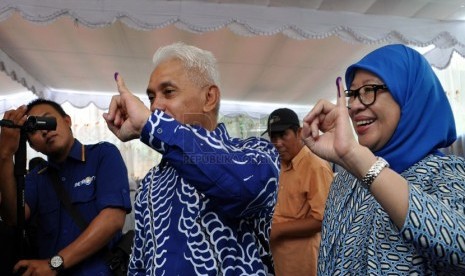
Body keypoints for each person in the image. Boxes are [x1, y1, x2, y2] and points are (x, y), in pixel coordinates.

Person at [103, 42, 280, 275]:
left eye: (168, 92)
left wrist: (151, 126)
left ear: (209, 97)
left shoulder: (255, 153)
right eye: (151, 97)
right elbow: (139, 262)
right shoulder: (151, 181)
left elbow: (244, 189)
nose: (155, 106)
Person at [302, 44, 465, 274]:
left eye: (369, 90)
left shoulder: (446, 174)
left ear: (409, 96)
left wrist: (358, 159)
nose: (355, 105)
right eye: (353, 93)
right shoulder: (344, 181)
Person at [0, 99, 132, 275]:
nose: (45, 130)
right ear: (32, 145)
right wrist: (5, 154)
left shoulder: (102, 155)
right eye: (35, 129)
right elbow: (13, 218)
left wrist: (54, 264)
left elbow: (112, 220)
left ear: (67, 121)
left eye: (47, 121)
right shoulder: (37, 178)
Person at [264, 108, 333, 276]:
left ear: (299, 132)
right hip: (278, 259)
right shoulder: (277, 164)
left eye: (283, 135)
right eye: (273, 137)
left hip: (303, 262)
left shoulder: (316, 166)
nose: (278, 142)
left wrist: (279, 230)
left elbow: (323, 219)